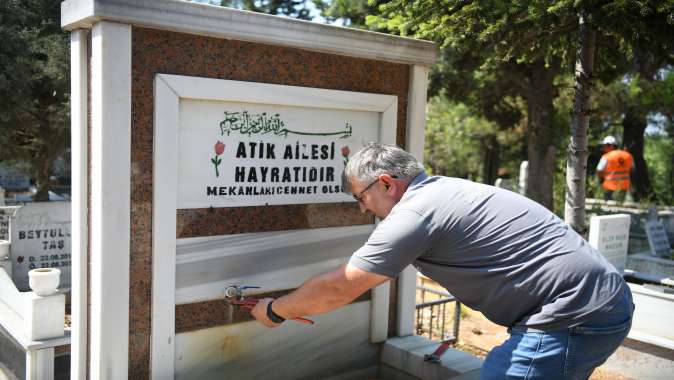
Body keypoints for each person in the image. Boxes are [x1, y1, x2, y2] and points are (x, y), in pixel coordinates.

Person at [251, 143, 633, 380]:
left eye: (360, 197)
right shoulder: (447, 190)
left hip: (571, 316)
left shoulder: (414, 214)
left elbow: (342, 286)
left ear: (386, 183)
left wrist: (275, 310)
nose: (363, 208)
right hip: (603, 300)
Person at [596, 135, 634, 201]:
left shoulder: (606, 157)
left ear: (611, 146)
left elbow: (599, 170)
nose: (603, 147)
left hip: (609, 186)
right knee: (620, 206)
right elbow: (632, 170)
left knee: (608, 207)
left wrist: (602, 179)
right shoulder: (628, 155)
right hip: (624, 186)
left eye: (605, 145)